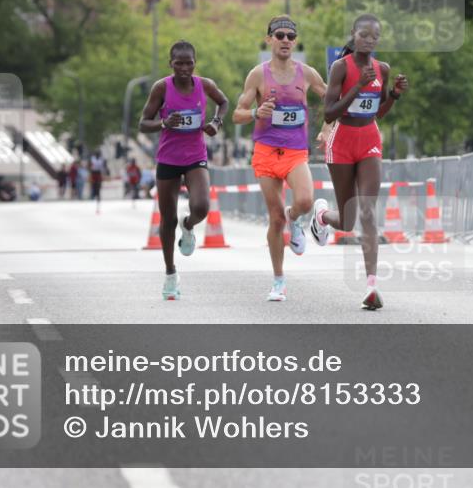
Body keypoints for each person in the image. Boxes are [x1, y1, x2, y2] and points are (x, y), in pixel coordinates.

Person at [309, 13, 408, 310]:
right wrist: (357, 87)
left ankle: (371, 286)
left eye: (374, 36)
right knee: (348, 219)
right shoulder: (341, 67)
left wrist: (393, 95)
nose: (369, 40)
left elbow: (377, 113)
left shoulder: (383, 69)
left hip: (369, 141)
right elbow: (329, 113)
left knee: (367, 210)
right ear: (353, 35)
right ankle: (323, 216)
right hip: (341, 143)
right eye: (363, 35)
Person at [232, 15, 330, 302]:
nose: (285, 40)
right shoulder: (258, 74)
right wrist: (254, 114)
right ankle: (278, 280)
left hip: (295, 151)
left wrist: (327, 127)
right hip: (265, 151)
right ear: (269, 39)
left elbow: (331, 99)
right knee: (274, 218)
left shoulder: (307, 74)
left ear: (295, 41)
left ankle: (295, 218)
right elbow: (237, 113)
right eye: (280, 35)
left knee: (304, 201)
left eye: (290, 36)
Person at [139, 39, 228, 301]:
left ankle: (188, 226)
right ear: (171, 64)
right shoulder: (161, 88)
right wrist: (163, 123)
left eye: (189, 63)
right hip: (168, 158)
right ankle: (170, 274)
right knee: (166, 221)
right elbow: (143, 123)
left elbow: (223, 102)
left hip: (195, 157)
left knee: (201, 207)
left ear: (194, 63)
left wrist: (216, 122)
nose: (184, 68)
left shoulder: (205, 85)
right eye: (179, 63)